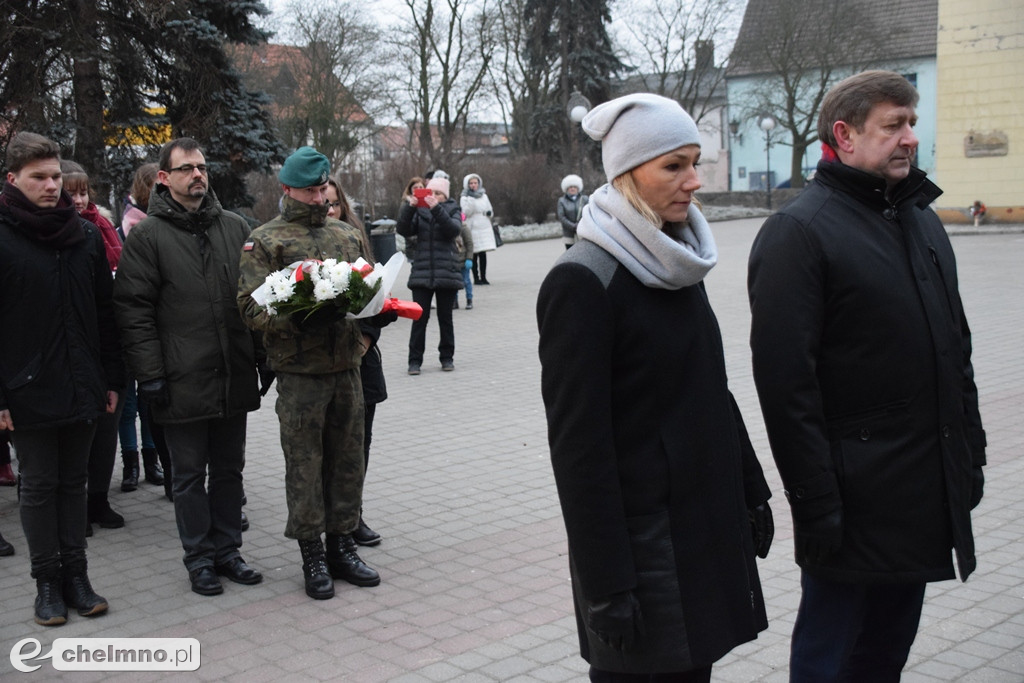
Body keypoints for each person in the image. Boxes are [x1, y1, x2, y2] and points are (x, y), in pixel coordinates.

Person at [747, 71, 987, 681]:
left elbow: (954, 352)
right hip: (850, 502)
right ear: (845, 135)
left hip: (919, 487)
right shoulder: (798, 233)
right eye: (893, 125)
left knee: (885, 656)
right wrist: (814, 499)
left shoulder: (920, 220)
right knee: (831, 657)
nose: (910, 137)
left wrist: (970, 457)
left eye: (912, 122)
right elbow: (785, 388)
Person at [536, 94, 774, 681]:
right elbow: (579, 451)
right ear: (625, 172)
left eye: (694, 161)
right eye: (673, 165)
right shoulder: (585, 281)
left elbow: (708, 386)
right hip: (641, 556)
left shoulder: (673, 259)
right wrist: (606, 586)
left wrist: (751, 487)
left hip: (698, 529)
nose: (694, 181)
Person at [114, 137, 264, 597]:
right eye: (186, 169)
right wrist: (151, 373)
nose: (197, 175)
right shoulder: (148, 236)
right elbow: (133, 309)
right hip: (179, 378)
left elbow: (256, 296)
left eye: (201, 167)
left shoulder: (235, 227)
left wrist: (264, 357)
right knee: (187, 477)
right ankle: (199, 559)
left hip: (231, 373)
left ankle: (228, 551)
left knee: (228, 472)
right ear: (164, 178)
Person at [238, 147, 380, 600]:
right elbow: (248, 307)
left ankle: (342, 546)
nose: (319, 197)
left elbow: (369, 288)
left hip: (346, 368)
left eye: (324, 189)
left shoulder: (346, 234)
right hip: (300, 374)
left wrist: (371, 323)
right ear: (287, 189)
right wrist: (296, 315)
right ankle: (312, 555)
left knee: (347, 462)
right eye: (310, 190)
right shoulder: (266, 240)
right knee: (305, 465)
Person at [0, 132, 124, 625]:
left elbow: (105, 314)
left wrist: (111, 377)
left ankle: (77, 575)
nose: (53, 186)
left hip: (84, 384)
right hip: (26, 389)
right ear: (12, 180)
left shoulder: (85, 236)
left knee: (76, 483)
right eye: (40, 178)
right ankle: (46, 583)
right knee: (39, 486)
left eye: (56, 177)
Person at [60, 161, 128, 534]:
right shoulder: (65, 235)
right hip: (72, 348)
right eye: (71, 191)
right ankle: (77, 505)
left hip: (107, 343)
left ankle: (99, 498)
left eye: (83, 191)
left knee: (107, 429)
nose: (78, 199)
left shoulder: (101, 230)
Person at [327, 176, 390, 546]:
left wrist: (367, 335)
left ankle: (354, 515)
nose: (329, 209)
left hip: (361, 360)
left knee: (359, 445)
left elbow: (374, 295)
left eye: (335, 203)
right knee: (332, 447)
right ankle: (333, 522)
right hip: (324, 363)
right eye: (324, 202)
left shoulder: (356, 240)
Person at [115, 162, 168, 495]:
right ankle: (130, 462)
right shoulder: (124, 228)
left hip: (161, 327)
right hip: (130, 325)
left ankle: (152, 460)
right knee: (129, 402)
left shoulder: (167, 227)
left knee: (151, 399)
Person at [396, 175, 464, 374]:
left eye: (437, 193)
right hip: (422, 273)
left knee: (445, 318)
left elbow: (453, 230)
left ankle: (447, 357)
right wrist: (410, 207)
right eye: (430, 192)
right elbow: (403, 229)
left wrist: (436, 208)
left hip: (446, 272)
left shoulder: (453, 209)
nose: (432, 196)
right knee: (419, 318)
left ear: (445, 195)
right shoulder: (419, 211)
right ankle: (414, 361)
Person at [460, 173, 496, 285]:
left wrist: (489, 213)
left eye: (475, 183)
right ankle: (476, 277)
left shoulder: (484, 196)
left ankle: (484, 277)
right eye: (471, 183)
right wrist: (470, 200)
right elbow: (465, 212)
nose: (473, 185)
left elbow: (489, 208)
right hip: (472, 225)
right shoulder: (465, 197)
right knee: (474, 253)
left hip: (484, 225)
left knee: (483, 253)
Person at [557, 174, 588, 249]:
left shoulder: (584, 199)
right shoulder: (562, 201)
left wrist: (581, 225)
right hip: (569, 235)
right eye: (570, 187)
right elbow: (562, 217)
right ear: (567, 189)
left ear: (578, 188)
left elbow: (588, 212)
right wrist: (573, 226)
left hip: (583, 232)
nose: (572, 189)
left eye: (574, 187)